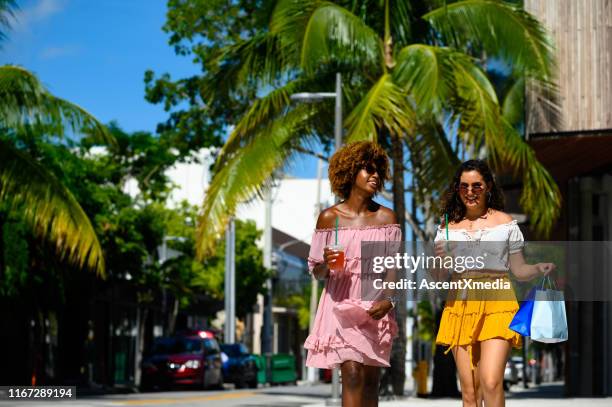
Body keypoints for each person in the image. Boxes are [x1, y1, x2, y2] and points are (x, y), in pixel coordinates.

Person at [433, 159, 555, 407]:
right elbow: (438, 277)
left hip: (497, 301)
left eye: (476, 186)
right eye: (463, 186)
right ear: (457, 189)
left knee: (490, 382)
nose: (470, 192)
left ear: (488, 186)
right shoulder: (447, 227)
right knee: (470, 392)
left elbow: (519, 270)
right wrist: (438, 263)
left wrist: (537, 268)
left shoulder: (504, 223)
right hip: (460, 305)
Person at [304, 141, 401, 407]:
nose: (375, 176)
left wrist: (389, 301)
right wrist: (325, 262)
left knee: (370, 384)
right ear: (349, 173)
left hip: (375, 305)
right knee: (352, 374)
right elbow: (318, 272)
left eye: (377, 171)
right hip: (340, 307)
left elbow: (393, 267)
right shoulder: (329, 218)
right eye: (367, 169)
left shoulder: (386, 218)